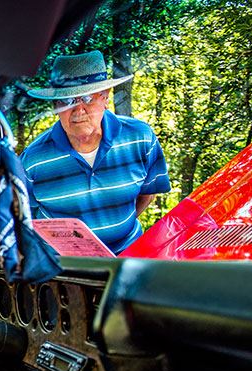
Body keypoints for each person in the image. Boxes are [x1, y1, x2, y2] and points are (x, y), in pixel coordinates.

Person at [21, 50, 170, 254]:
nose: (78, 110)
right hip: (65, 269)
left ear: (105, 98)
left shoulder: (140, 138)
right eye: (67, 101)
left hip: (128, 255)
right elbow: (23, 216)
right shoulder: (33, 159)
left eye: (88, 98)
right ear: (55, 106)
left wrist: (117, 227)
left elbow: (148, 192)